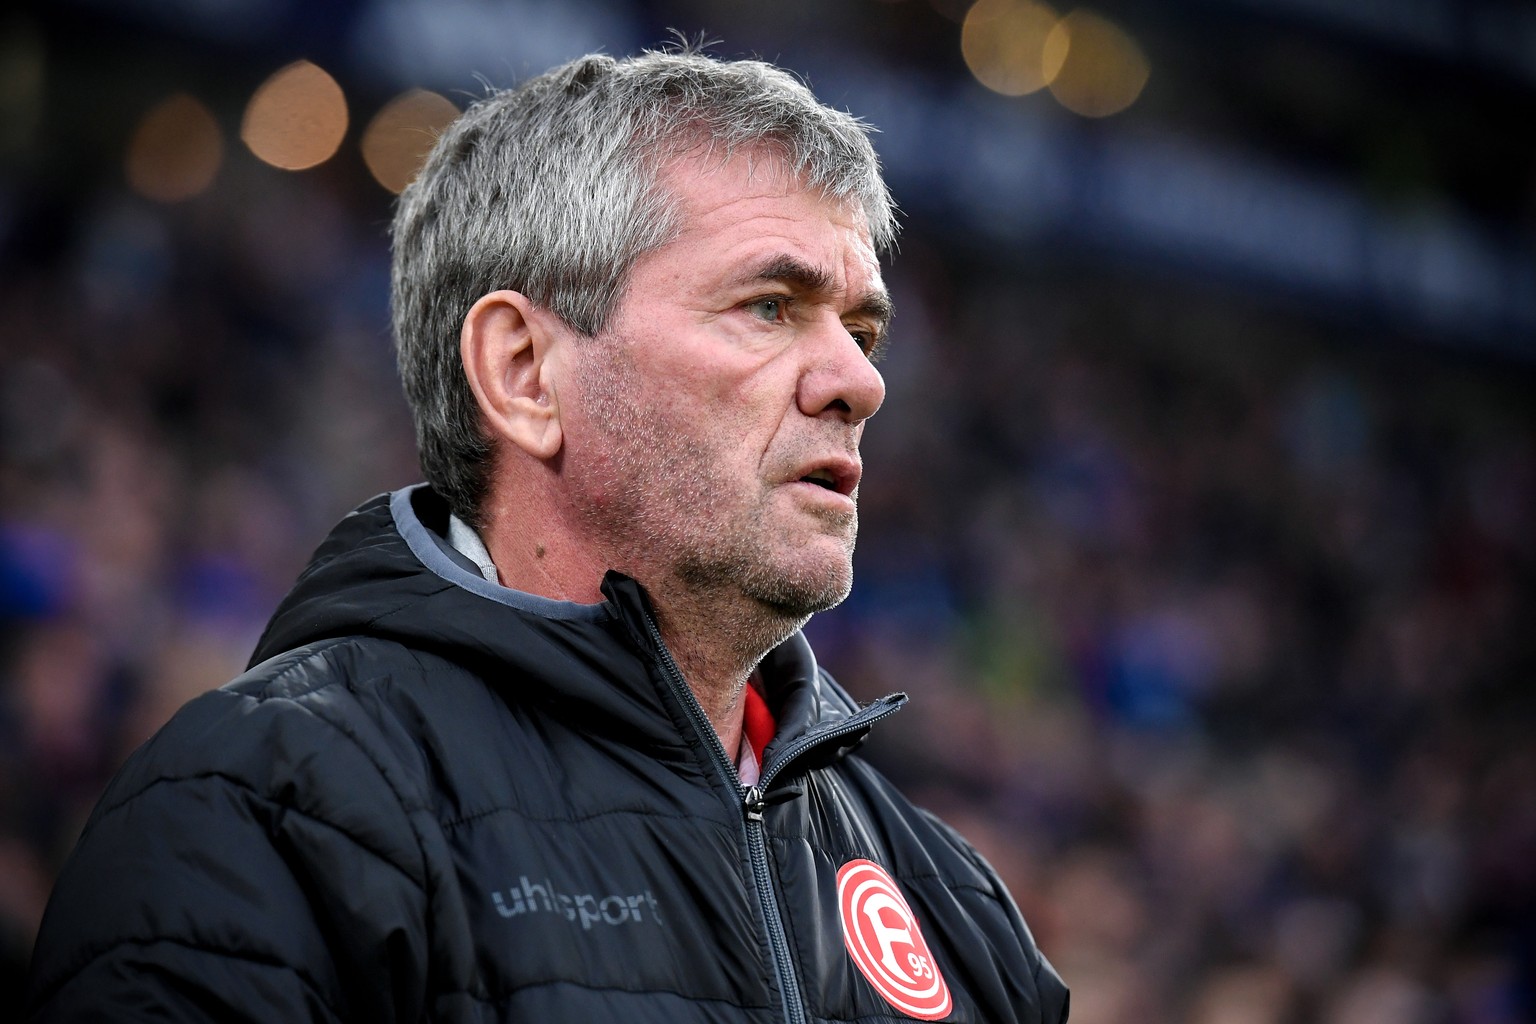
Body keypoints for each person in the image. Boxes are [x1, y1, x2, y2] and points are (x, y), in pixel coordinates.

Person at [26, 49, 1069, 1022]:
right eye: (769, 305)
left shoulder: (953, 901)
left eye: (863, 329)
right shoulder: (258, 811)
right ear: (526, 372)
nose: (860, 380)